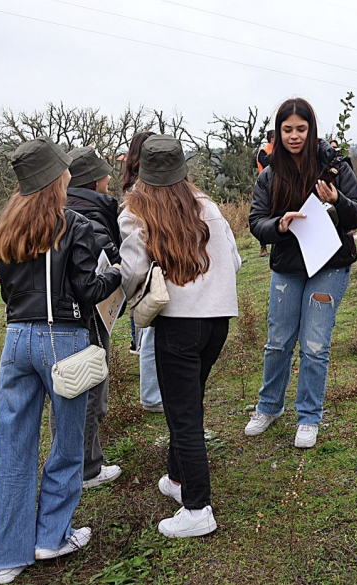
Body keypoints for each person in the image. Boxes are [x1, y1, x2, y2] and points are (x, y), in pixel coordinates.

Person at [0, 137, 122, 583]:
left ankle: (5, 557)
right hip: (63, 342)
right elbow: (89, 290)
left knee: (12, 445)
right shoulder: (74, 224)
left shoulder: (7, 228)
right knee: (65, 446)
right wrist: (117, 274)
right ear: (56, 178)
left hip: (16, 340)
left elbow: (8, 291)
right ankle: (51, 537)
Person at [119, 135, 240, 538]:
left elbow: (134, 272)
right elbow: (235, 261)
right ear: (184, 170)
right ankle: (176, 478)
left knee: (183, 415)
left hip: (177, 322)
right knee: (188, 403)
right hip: (217, 319)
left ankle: (198, 507)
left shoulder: (137, 212)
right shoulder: (209, 208)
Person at [245, 98, 357, 449]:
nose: (294, 136)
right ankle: (268, 407)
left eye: (301, 129)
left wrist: (338, 199)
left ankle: (309, 417)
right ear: (278, 133)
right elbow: (256, 222)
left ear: (311, 129)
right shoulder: (268, 175)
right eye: (287, 130)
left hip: (330, 265)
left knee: (314, 345)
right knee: (278, 341)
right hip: (288, 266)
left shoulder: (335, 167)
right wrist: (278, 225)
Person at [63, 146, 123, 489]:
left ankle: (78, 462)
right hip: (87, 315)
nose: (109, 178)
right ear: (91, 181)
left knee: (71, 389)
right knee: (90, 389)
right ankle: (86, 468)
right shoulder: (90, 213)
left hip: (61, 316)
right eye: (104, 174)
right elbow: (105, 262)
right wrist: (116, 269)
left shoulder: (63, 206)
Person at [122, 131, 164, 412]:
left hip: (150, 266)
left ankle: (155, 390)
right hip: (149, 267)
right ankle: (151, 395)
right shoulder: (139, 192)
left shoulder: (139, 187)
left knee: (151, 329)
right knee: (150, 330)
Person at [255, 130, 275, 257]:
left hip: (277, 187)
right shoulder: (264, 152)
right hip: (265, 187)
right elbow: (269, 166)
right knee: (263, 215)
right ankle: (263, 248)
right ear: (272, 138)